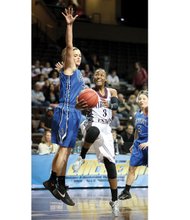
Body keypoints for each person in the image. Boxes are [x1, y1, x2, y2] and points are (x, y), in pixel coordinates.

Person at [43, 7, 87, 206]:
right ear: (68, 57)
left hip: (74, 113)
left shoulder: (75, 73)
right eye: (74, 55)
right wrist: (69, 25)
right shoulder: (70, 67)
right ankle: (53, 181)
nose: (76, 57)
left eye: (79, 55)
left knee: (66, 150)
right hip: (67, 112)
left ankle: (60, 183)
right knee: (63, 149)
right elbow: (69, 46)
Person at [72, 68, 120, 216]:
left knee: (110, 165)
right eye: (96, 74)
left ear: (105, 78)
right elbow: (77, 106)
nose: (98, 76)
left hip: (106, 128)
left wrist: (110, 105)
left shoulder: (112, 92)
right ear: (93, 78)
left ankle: (114, 200)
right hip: (91, 124)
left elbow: (116, 107)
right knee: (94, 131)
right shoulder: (88, 92)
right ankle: (82, 157)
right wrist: (80, 105)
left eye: (101, 74)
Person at [119, 90, 148, 200]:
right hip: (139, 144)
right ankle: (126, 191)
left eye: (144, 98)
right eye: (140, 99)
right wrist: (133, 143)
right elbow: (137, 130)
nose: (141, 101)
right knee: (131, 168)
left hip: (149, 143)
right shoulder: (137, 114)